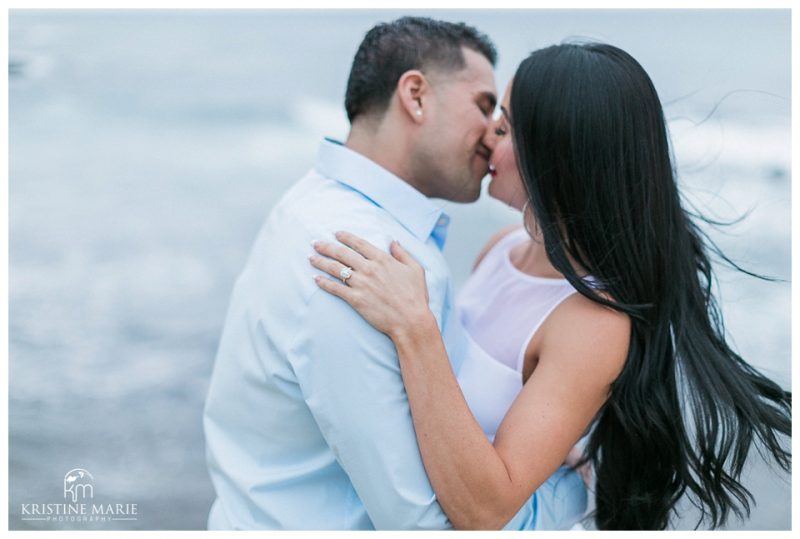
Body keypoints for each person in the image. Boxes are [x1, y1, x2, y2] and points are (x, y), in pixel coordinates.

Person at [309, 42, 792, 530]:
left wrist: (415, 328)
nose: (488, 132)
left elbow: (485, 510)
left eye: (509, 124)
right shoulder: (499, 249)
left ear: (558, 153)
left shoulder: (592, 322)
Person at [203, 17, 586, 530]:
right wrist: (579, 493)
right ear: (416, 95)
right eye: (482, 105)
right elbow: (426, 522)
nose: (493, 132)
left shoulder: (311, 203)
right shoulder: (360, 257)